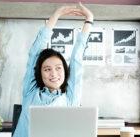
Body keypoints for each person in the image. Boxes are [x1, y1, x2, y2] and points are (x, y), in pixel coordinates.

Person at [13, 2, 93, 137]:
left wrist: (89, 20)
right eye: (47, 69)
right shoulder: (30, 91)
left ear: (65, 71)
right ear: (39, 73)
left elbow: (77, 60)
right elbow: (35, 53)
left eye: (58, 68)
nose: (54, 74)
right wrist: (56, 16)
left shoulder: (70, 97)